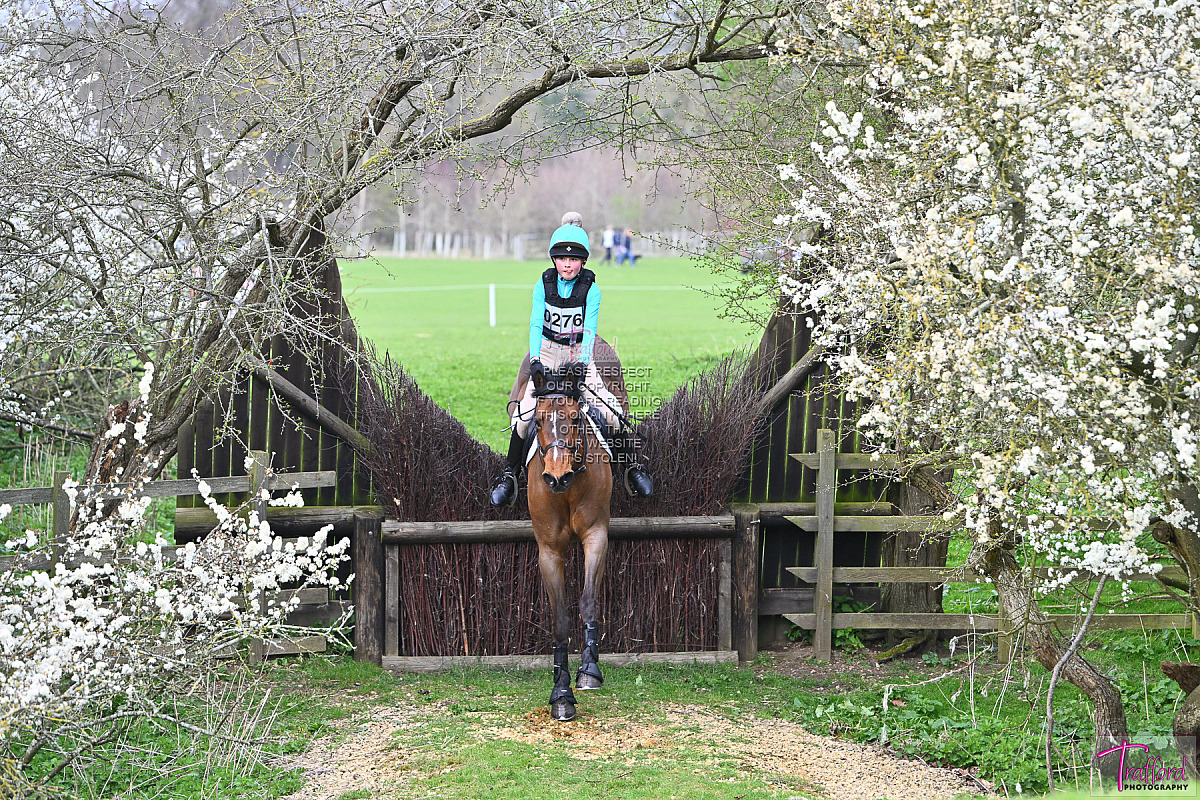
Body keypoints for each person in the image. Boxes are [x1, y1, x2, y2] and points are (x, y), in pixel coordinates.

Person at [490, 217, 654, 506]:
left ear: (583, 262)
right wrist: (537, 360)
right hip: (548, 350)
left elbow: (589, 330)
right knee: (524, 415)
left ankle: (631, 467)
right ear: (554, 259)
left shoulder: (592, 289)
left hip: (579, 352)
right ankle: (509, 475)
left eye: (574, 260)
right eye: (562, 258)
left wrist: (581, 363)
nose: (567, 264)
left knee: (611, 410)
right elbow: (534, 325)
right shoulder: (543, 284)